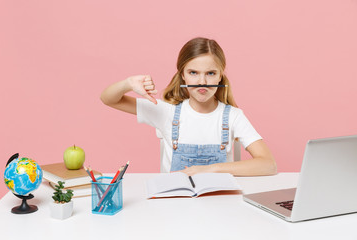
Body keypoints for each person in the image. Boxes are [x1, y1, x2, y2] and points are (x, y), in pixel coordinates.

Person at [100, 37, 277, 176]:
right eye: (193, 73)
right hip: (175, 206)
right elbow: (109, 99)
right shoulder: (165, 112)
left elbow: (268, 164)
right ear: (183, 75)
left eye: (210, 73)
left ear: (220, 77)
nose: (202, 82)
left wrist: (210, 169)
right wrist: (129, 83)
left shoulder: (233, 116)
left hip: (221, 206)